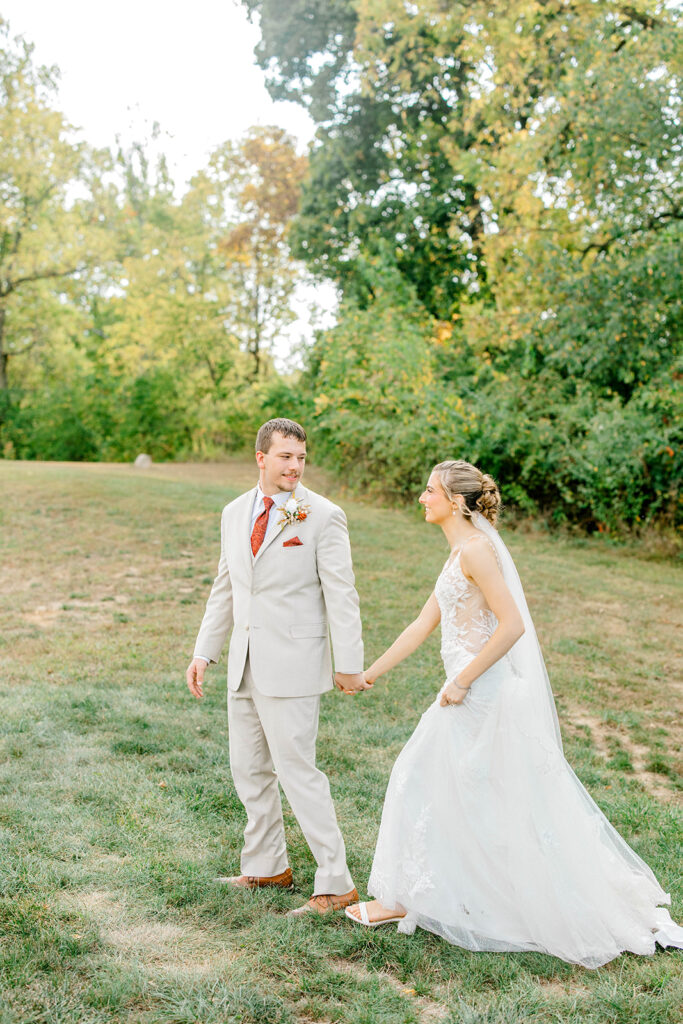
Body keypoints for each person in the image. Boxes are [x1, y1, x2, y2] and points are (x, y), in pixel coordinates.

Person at [346, 460, 683, 968]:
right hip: (467, 691)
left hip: (481, 693)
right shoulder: (459, 550)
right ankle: (427, 894)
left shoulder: (479, 552)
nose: (421, 496)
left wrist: (461, 680)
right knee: (459, 790)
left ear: (455, 501)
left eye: (430, 490)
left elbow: (512, 626)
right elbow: (423, 622)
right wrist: (370, 672)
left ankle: (403, 900)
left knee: (419, 776)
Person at [186, 418, 370, 916]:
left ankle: (337, 882)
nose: (295, 466)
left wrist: (348, 663)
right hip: (244, 663)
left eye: (301, 457)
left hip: (293, 663)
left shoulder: (323, 516)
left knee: (297, 771)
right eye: (286, 456)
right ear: (261, 458)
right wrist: (205, 651)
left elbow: (342, 593)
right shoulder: (233, 513)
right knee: (248, 769)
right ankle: (267, 867)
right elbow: (227, 586)